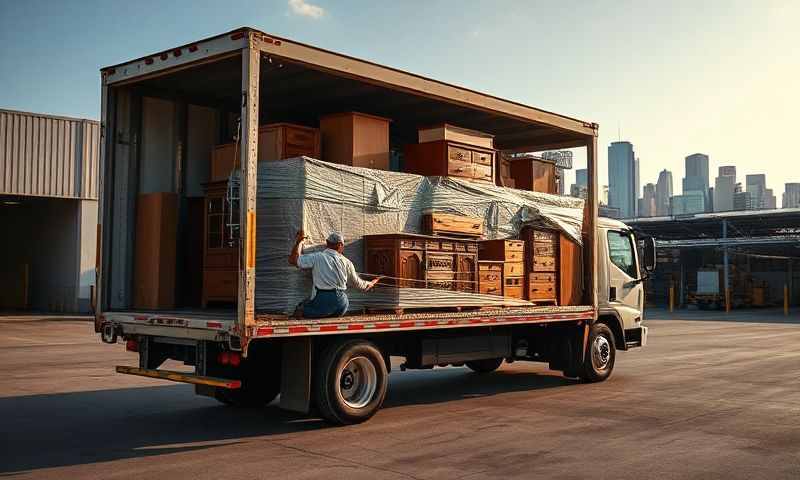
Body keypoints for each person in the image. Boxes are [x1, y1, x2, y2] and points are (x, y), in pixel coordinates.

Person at [288, 230, 380, 318]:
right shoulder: (347, 262)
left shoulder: (317, 257)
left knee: (301, 308)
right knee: (325, 310)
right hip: (342, 304)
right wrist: (371, 283)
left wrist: (298, 242)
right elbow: (359, 284)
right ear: (340, 245)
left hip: (323, 301)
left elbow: (293, 260)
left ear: (327, 243)